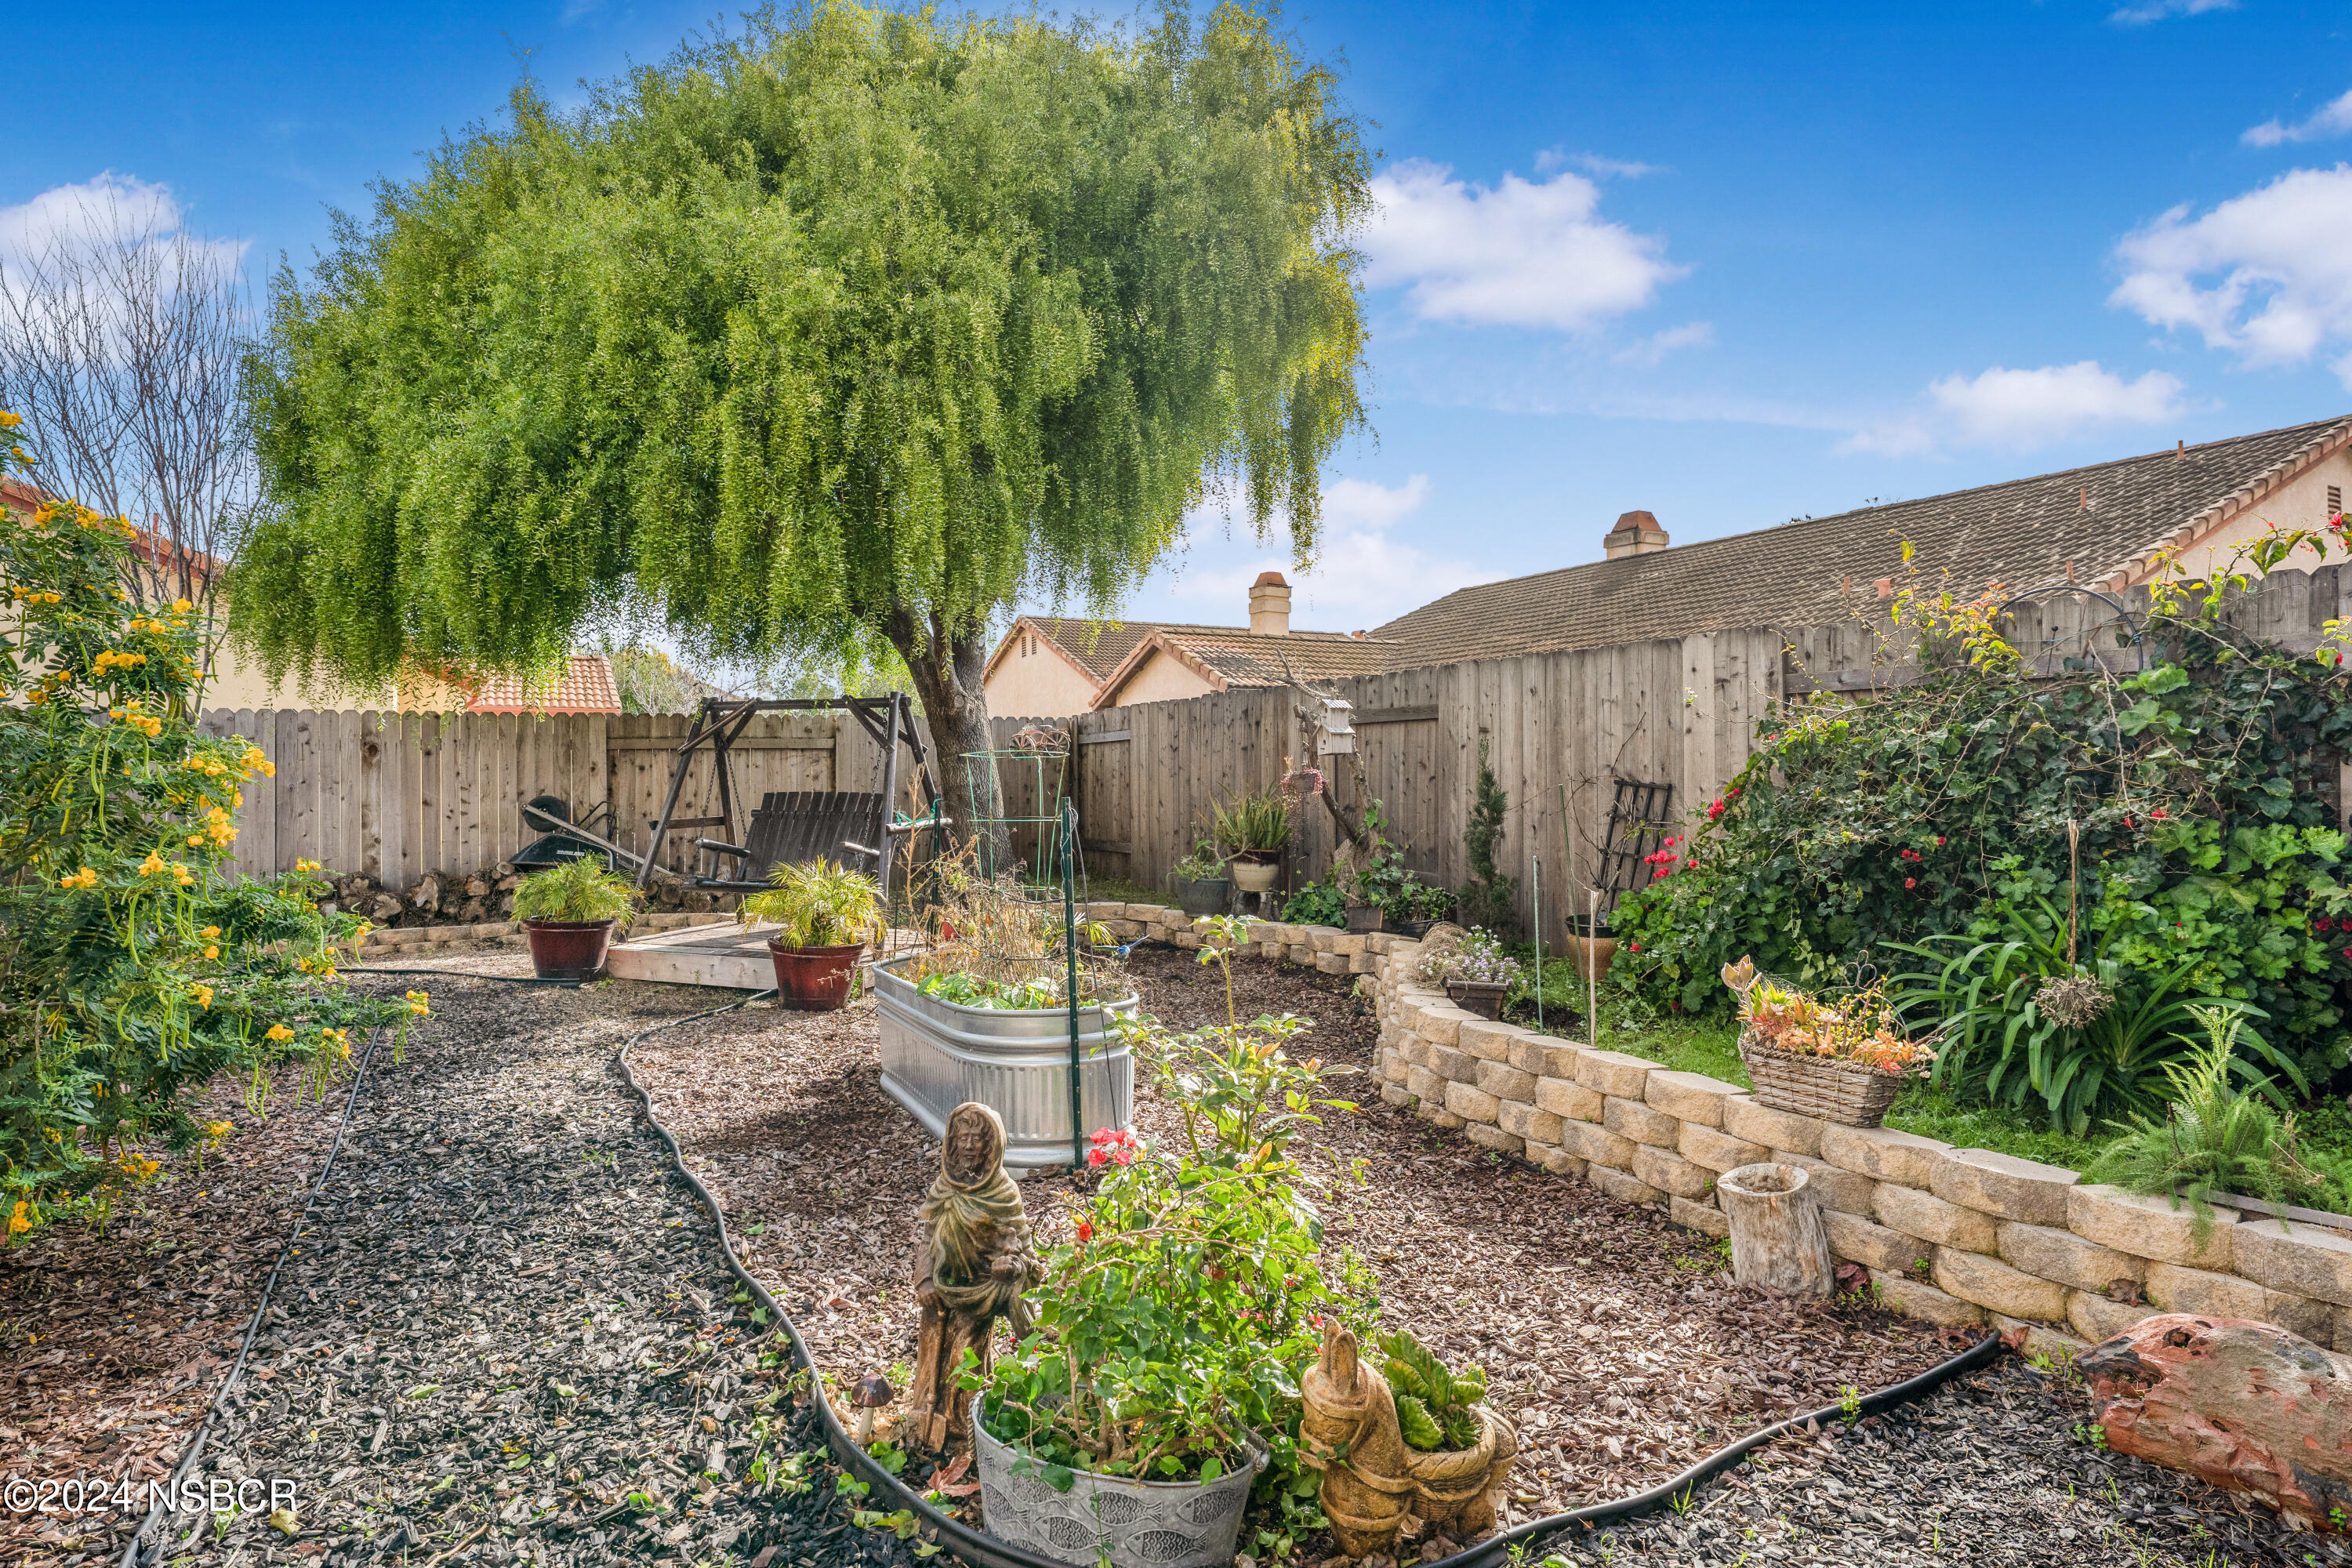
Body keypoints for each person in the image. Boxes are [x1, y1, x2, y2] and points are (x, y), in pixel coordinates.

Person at [906, 1102, 1042, 1449]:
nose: (968, 1146)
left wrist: (1010, 1266)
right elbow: (928, 1237)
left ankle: (962, 1434)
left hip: (978, 1293)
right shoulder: (945, 1186)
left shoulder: (1003, 1193)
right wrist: (924, 1279)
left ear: (991, 1145)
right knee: (930, 1361)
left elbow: (1023, 1250)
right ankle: (923, 1427)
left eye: (977, 1139)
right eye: (962, 1138)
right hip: (940, 1290)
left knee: (962, 1362)